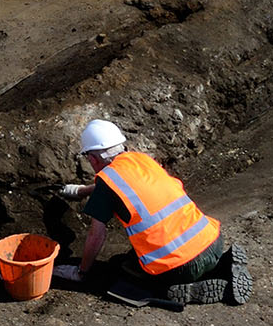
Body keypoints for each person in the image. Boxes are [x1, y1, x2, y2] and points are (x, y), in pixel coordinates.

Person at [54, 119, 249, 305]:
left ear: (93, 159)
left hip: (182, 266)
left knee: (123, 271)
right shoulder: (142, 160)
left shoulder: (107, 181)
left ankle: (189, 289)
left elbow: (96, 235)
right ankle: (221, 264)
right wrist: (80, 191)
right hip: (213, 242)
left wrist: (81, 273)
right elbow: (117, 185)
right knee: (141, 258)